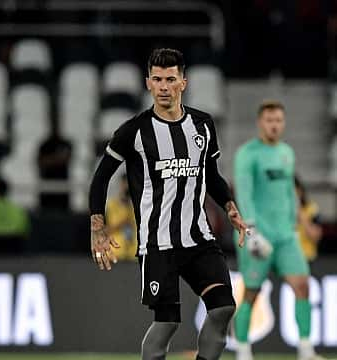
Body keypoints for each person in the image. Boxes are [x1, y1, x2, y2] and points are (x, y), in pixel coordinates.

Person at [88, 48, 248, 360]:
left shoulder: (202, 125)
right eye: (157, 79)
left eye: (170, 79)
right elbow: (100, 178)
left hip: (199, 238)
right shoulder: (133, 131)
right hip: (158, 244)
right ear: (148, 83)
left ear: (183, 83)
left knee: (223, 308)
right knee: (167, 323)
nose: (164, 86)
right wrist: (98, 227)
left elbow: (211, 175)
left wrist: (230, 206)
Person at [233, 101, 325, 360]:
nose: (274, 125)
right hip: (257, 233)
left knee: (303, 286)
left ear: (283, 123)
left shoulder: (286, 152)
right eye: (269, 120)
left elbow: (290, 194)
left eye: (278, 120)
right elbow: (244, 193)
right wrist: (250, 231)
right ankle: (242, 349)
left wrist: (300, 225)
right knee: (251, 292)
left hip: (286, 236)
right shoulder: (247, 153)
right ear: (260, 123)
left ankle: (306, 349)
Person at [37, 126, 72, 210]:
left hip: (63, 191)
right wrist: (58, 159)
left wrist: (50, 159)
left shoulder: (66, 144)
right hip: (47, 191)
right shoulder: (44, 145)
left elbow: (67, 159)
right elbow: (41, 161)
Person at [104, 173, 137, 261]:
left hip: (134, 252)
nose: (127, 188)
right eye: (125, 184)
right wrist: (122, 223)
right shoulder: (111, 205)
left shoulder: (138, 205)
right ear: (121, 185)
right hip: (116, 251)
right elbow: (104, 231)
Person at [295, 175, 322, 262]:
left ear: (300, 190)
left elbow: (316, 237)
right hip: (284, 258)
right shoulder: (280, 211)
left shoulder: (311, 209)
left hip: (306, 257)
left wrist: (302, 217)